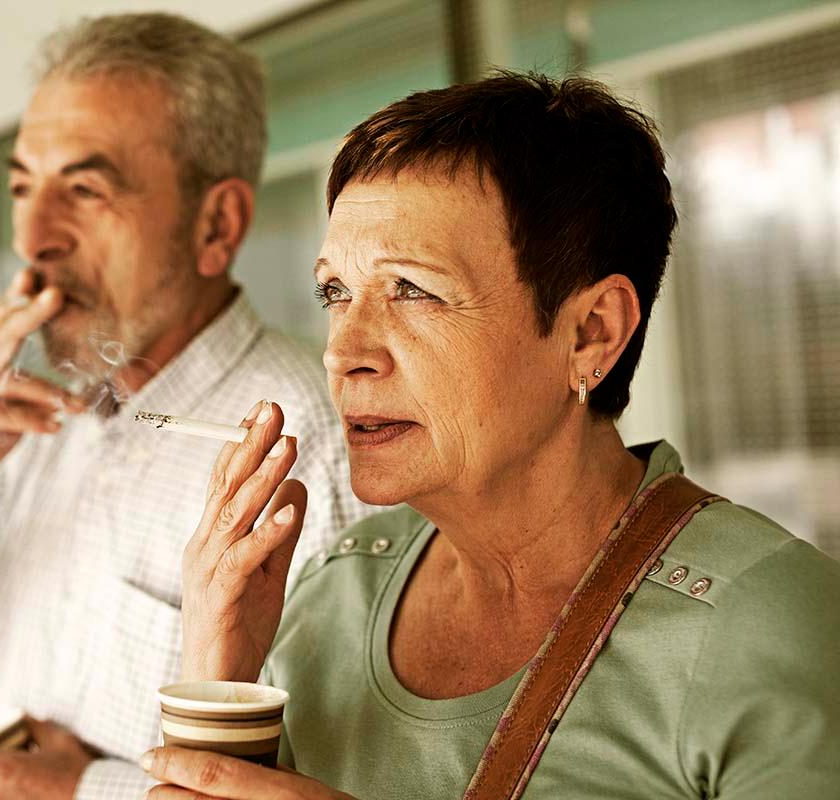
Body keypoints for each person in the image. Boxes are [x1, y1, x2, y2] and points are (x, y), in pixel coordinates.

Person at [141, 72, 840, 799]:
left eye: (412, 290)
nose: (343, 351)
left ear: (590, 334)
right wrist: (214, 682)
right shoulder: (335, 592)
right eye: (335, 292)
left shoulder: (771, 620)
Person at [0, 13, 371, 799]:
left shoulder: (311, 443)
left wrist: (87, 789)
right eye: (21, 187)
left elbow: (349, 772)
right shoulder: (39, 430)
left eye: (84, 188)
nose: (33, 238)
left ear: (216, 226)